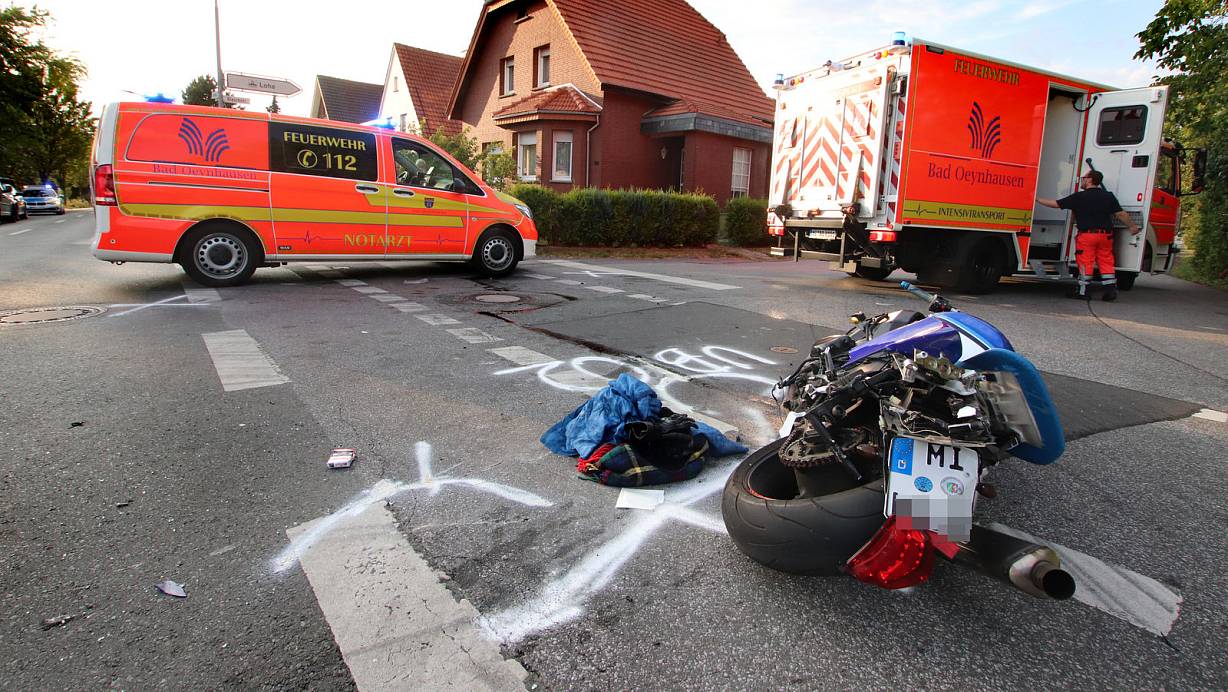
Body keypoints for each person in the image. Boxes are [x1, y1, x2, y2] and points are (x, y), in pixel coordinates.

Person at [1037, 170, 1140, 301]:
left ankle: (1083, 292)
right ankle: (1110, 290)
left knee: (1086, 262)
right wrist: (1132, 226)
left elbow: (1056, 204)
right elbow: (1121, 214)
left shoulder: (1079, 197)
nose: (1082, 180)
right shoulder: (1108, 196)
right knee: (1106, 261)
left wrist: (1037, 199)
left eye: (1084, 178)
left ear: (1090, 180)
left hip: (1087, 236)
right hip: (1105, 236)